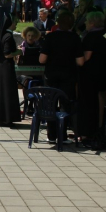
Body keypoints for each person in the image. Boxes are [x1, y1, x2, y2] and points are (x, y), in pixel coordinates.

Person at [39, 12, 84, 144]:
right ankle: (62, 135)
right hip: (68, 76)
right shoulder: (75, 38)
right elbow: (80, 62)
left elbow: (42, 59)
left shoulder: (51, 37)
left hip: (51, 75)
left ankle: (51, 135)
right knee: (65, 105)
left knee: (50, 104)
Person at [78, 11, 106, 150]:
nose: (85, 23)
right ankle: (100, 128)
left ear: (92, 22)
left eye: (86, 21)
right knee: (101, 99)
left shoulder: (90, 36)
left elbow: (86, 57)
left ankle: (87, 133)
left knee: (88, 103)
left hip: (90, 74)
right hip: (103, 72)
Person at [0, 15, 22, 126]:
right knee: (6, 92)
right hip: (6, 68)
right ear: (10, 24)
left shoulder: (4, 35)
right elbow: (7, 54)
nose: (16, 24)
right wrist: (18, 52)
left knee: (0, 91)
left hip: (1, 67)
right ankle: (6, 118)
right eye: (14, 23)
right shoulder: (8, 37)